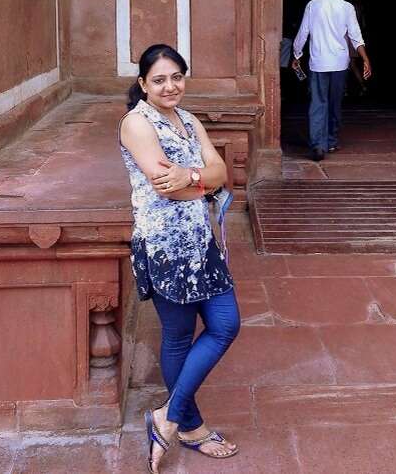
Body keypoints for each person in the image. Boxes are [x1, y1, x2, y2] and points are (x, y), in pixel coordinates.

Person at [119, 44, 240, 473]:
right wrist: (200, 179)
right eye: (159, 79)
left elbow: (221, 172)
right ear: (143, 84)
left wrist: (193, 176)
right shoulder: (137, 123)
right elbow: (164, 187)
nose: (170, 86)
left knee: (226, 324)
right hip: (165, 246)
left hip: (200, 242)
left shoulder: (187, 120)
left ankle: (165, 417)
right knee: (177, 335)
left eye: (177, 77)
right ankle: (189, 425)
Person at [292, 0, 372, 161]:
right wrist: (365, 59)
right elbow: (355, 36)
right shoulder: (346, 7)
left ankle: (318, 145)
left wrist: (297, 54)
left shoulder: (313, 5)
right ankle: (331, 140)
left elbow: (303, 32)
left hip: (318, 62)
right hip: (339, 63)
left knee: (318, 102)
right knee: (335, 102)